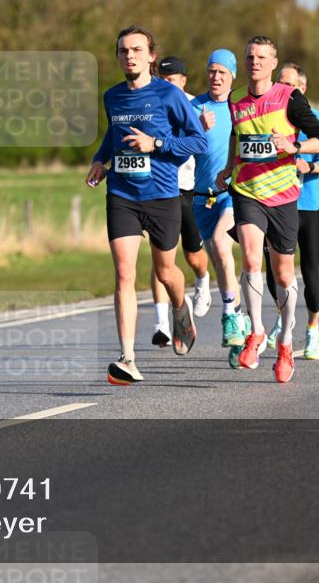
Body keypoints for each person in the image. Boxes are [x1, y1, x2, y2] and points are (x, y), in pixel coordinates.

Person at [86, 25, 207, 385]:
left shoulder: (170, 96)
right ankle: (127, 357)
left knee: (165, 272)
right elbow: (114, 132)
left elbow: (198, 142)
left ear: (151, 56)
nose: (130, 56)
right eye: (123, 50)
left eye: (137, 50)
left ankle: (181, 309)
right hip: (122, 195)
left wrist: (155, 145)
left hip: (162, 195)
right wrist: (100, 158)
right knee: (124, 274)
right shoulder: (112, 96)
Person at [215, 36, 319, 383]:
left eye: (262, 57)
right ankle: (257, 332)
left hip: (282, 195)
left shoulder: (289, 97)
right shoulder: (235, 101)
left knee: (283, 276)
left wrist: (293, 146)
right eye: (250, 56)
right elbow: (237, 138)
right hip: (247, 191)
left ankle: (285, 343)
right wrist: (227, 167)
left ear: (273, 62)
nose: (255, 62)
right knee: (250, 257)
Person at [264, 63, 319, 360]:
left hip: (307, 206)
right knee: (273, 273)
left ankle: (313, 330)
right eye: (279, 82)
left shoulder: (316, 119)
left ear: (302, 90)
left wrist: (310, 165)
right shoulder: (269, 115)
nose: (282, 88)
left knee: (310, 274)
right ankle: (285, 316)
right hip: (276, 203)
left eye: (289, 85)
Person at [189, 49, 251, 368]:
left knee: (220, 242)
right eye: (211, 71)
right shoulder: (193, 106)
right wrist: (195, 128)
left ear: (232, 76)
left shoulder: (241, 109)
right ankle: (239, 326)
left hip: (231, 193)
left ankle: (228, 314)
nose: (215, 77)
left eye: (222, 72)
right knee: (220, 262)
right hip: (201, 198)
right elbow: (174, 144)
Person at [150, 56, 212, 349]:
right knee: (160, 257)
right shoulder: (148, 101)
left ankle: (202, 280)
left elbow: (201, 145)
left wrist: (200, 127)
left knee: (191, 254)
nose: (166, 84)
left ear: (183, 81)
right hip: (156, 188)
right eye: (161, 79)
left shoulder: (193, 105)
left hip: (185, 186)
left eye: (171, 80)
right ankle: (162, 324)